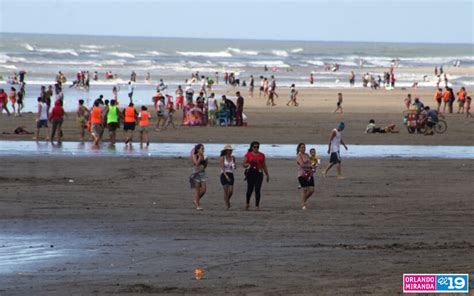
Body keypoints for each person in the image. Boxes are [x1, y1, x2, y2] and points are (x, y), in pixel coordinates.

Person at [243, 141, 269, 210]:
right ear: (252, 147)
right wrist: (248, 165)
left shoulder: (262, 155)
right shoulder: (248, 155)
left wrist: (267, 175)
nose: (256, 148)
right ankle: (247, 203)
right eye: (255, 147)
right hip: (250, 174)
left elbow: (264, 165)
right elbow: (244, 164)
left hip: (259, 173)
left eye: (258, 147)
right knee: (250, 189)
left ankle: (257, 206)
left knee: (257, 189)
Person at [296, 143, 315, 210]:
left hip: (309, 174)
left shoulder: (307, 155)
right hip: (302, 174)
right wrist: (310, 166)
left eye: (304, 147)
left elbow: (310, 163)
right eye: (302, 147)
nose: (303, 149)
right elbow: (302, 165)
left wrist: (312, 169)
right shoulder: (298, 156)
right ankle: (303, 204)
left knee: (311, 190)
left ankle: (303, 201)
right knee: (305, 189)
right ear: (299, 148)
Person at [190, 144, 207, 210]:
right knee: (197, 191)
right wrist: (200, 157)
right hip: (196, 174)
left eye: (203, 148)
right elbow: (196, 164)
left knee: (204, 190)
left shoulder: (204, 156)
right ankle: (198, 206)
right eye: (202, 148)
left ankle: (196, 200)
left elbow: (205, 166)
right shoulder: (195, 155)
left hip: (202, 173)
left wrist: (206, 161)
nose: (203, 150)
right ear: (198, 149)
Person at [220, 144, 236, 209]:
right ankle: (227, 204)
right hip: (224, 174)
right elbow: (222, 167)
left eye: (231, 150)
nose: (230, 151)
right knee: (226, 191)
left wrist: (234, 166)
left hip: (231, 174)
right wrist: (226, 176)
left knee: (231, 191)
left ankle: (227, 200)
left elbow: (234, 167)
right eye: (229, 150)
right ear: (226, 151)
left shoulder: (233, 157)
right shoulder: (223, 157)